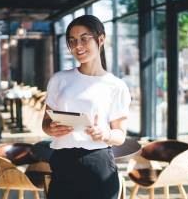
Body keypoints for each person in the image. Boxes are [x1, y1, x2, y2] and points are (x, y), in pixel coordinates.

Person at [41, 15, 131, 199]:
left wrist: (105, 135)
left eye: (84, 39)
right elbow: (45, 122)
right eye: (72, 41)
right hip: (62, 162)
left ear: (101, 39)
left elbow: (120, 135)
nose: (77, 46)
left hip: (98, 164)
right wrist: (51, 128)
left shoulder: (116, 85)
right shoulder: (59, 79)